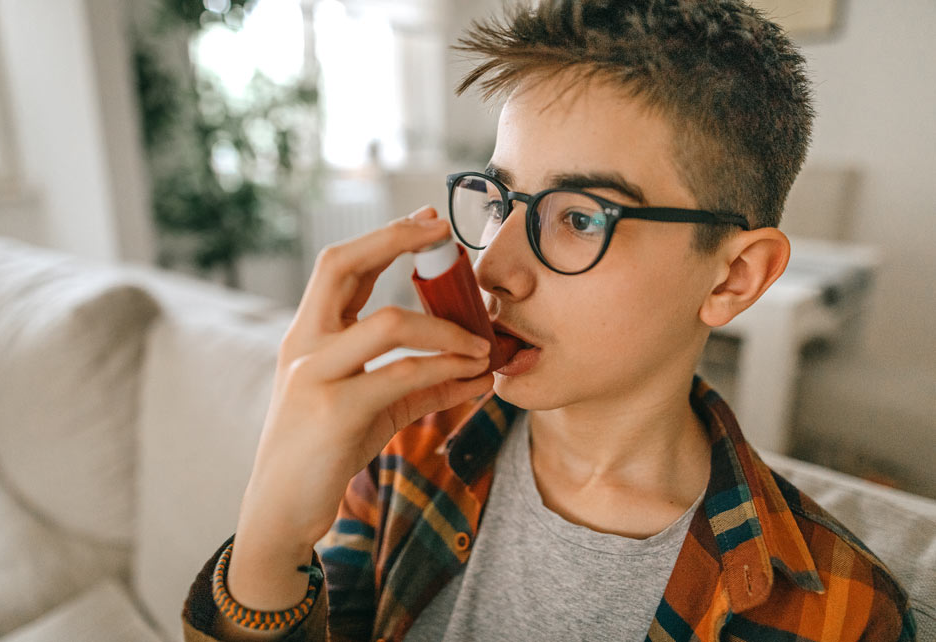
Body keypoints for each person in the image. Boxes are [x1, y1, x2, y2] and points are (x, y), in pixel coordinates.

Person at [182, 1, 916, 640]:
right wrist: (271, 542)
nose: (490, 268)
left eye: (578, 216)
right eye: (498, 202)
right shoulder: (403, 452)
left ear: (732, 276)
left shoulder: (836, 613)